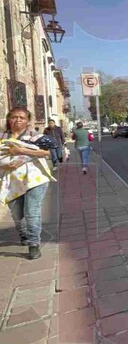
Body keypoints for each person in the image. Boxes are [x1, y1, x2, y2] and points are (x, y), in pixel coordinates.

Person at [0, 107, 55, 260]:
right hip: (11, 181)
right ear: (8, 119)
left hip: (35, 179)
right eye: (14, 117)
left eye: (22, 118)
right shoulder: (2, 136)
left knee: (32, 212)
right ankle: (23, 234)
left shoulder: (35, 136)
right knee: (17, 214)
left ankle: (34, 245)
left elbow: (46, 153)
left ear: (27, 121)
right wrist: (5, 166)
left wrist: (21, 151)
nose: (18, 120)